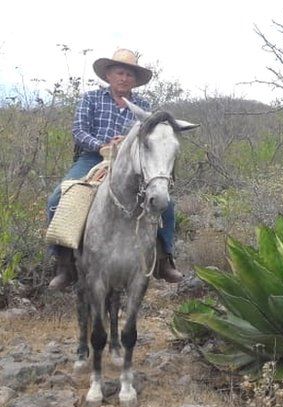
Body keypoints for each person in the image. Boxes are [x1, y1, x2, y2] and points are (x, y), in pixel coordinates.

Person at [46, 48, 183, 289]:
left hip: (129, 163)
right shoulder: (91, 99)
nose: (124, 78)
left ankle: (164, 259)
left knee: (166, 203)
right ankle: (64, 265)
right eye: (119, 72)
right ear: (108, 75)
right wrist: (100, 146)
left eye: (129, 75)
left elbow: (147, 138)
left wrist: (127, 145)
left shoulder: (143, 106)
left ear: (135, 80)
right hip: (92, 158)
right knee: (58, 198)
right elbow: (79, 131)